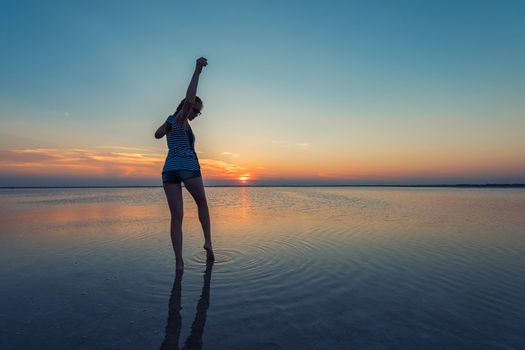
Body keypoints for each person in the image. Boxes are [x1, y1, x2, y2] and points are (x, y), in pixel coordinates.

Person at [155, 57, 215, 270]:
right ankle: (208, 241)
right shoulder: (182, 118)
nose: (197, 114)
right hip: (187, 168)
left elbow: (157, 135)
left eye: (198, 111)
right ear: (187, 108)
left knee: (176, 217)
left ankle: (179, 261)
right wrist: (197, 71)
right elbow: (188, 99)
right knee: (202, 204)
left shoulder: (171, 120)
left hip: (168, 171)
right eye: (196, 110)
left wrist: (168, 122)